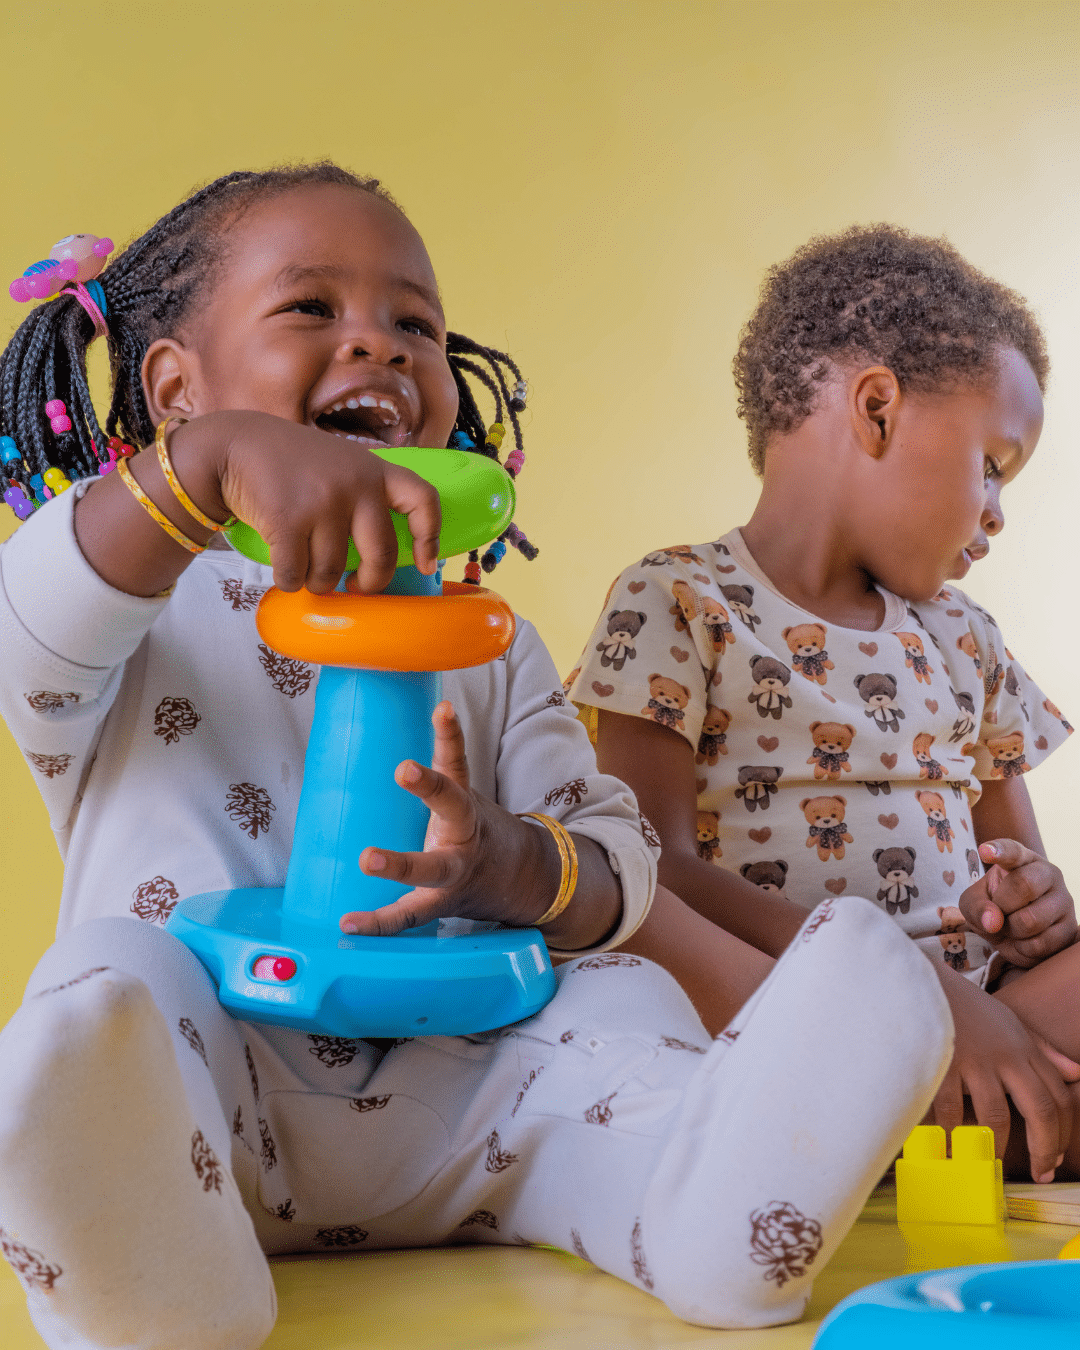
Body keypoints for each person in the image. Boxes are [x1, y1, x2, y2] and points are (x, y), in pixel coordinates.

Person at [0, 173, 950, 1349]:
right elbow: (33, 619)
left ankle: (710, 1207)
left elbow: (615, 868)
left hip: (469, 1108)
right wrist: (205, 468)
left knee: (621, 993)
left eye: (417, 326)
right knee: (107, 982)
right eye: (310, 309)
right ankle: (153, 1274)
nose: (379, 346)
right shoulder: (139, 609)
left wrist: (511, 863)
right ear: (176, 387)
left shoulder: (485, 638)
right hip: (209, 1109)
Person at [568, 224, 1080, 1193]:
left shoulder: (964, 636)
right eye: (993, 467)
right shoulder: (680, 601)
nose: (999, 512)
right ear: (879, 409)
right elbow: (650, 869)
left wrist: (1034, 912)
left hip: (982, 1008)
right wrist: (915, 992)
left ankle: (972, 1121)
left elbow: (1025, 888)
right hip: (795, 1010)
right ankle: (949, 1122)